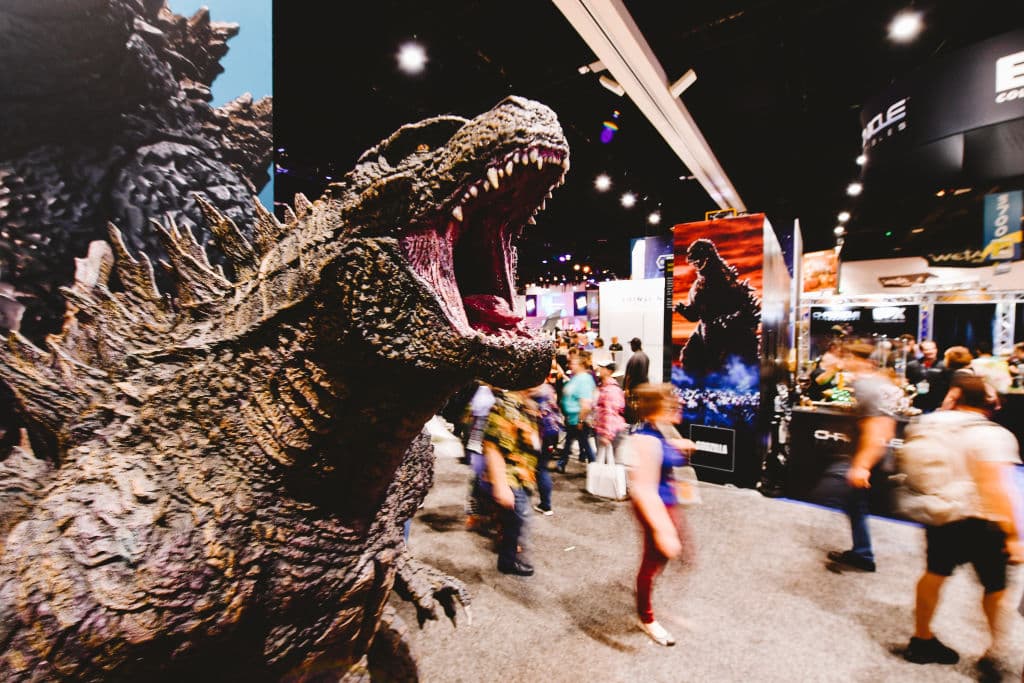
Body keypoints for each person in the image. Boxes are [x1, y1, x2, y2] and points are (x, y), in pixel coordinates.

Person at [902, 375, 1021, 676]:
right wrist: (1013, 534)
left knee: (934, 573)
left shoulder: (929, 424)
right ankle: (996, 649)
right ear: (990, 402)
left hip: (941, 513)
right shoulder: (994, 436)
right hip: (982, 520)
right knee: (995, 587)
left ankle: (921, 638)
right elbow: (995, 487)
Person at [815, 339, 897, 573]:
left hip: (864, 455)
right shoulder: (879, 384)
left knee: (841, 497)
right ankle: (863, 552)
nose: (846, 362)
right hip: (872, 454)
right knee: (856, 506)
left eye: (850, 358)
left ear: (865, 362)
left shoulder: (867, 387)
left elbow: (878, 428)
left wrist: (862, 465)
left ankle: (863, 553)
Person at [627, 383, 696, 646]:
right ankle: (646, 618)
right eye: (671, 405)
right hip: (655, 506)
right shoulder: (646, 440)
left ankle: (646, 598)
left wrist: (678, 446)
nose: (677, 409)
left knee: (666, 557)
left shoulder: (659, 430)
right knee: (652, 563)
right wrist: (662, 530)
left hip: (666, 502)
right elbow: (644, 490)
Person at [482, 388, 541, 576]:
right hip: (510, 477)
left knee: (515, 521)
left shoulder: (526, 403)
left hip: (522, 476)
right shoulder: (506, 404)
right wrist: (500, 484)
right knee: (518, 518)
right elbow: (492, 446)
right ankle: (508, 561)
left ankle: (509, 557)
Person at [529, 374, 563, 516]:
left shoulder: (530, 391)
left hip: (539, 434)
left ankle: (544, 505)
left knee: (539, 468)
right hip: (553, 432)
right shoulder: (548, 388)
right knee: (542, 467)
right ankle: (546, 504)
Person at [557, 353, 597, 471]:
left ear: (581, 365)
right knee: (571, 441)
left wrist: (580, 420)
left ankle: (594, 468)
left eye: (573, 363)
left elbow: (586, 403)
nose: (570, 366)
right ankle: (562, 462)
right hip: (572, 418)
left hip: (578, 419)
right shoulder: (576, 377)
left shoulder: (584, 379)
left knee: (584, 444)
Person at [594, 360, 626, 466]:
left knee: (608, 464)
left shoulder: (610, 390)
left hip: (609, 430)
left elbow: (609, 412)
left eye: (602, 367)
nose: (599, 369)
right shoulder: (605, 386)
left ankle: (611, 482)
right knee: (609, 462)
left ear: (609, 371)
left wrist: (607, 435)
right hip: (611, 429)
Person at [624, 337, 650, 423]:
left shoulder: (635, 358)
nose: (631, 347)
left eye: (631, 345)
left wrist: (626, 389)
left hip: (635, 389)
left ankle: (635, 427)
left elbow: (629, 375)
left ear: (634, 345)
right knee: (641, 410)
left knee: (633, 411)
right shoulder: (645, 356)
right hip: (644, 388)